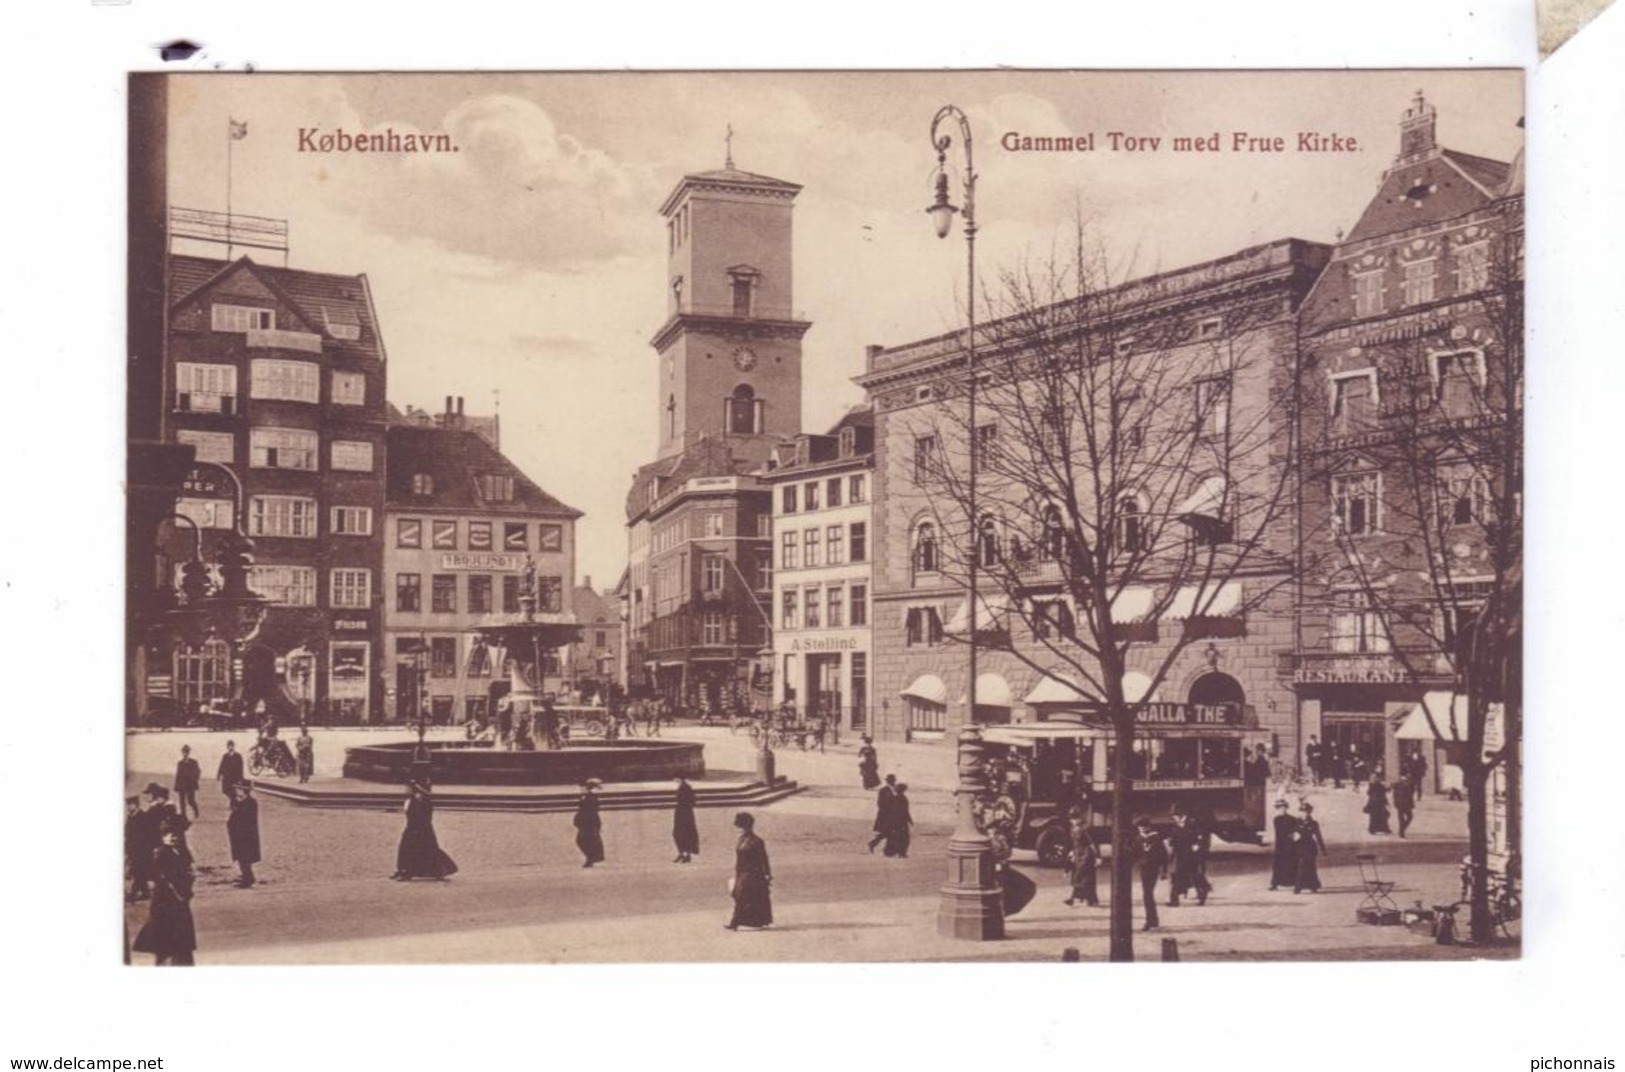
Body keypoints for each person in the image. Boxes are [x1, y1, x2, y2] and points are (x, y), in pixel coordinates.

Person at [131, 818, 197, 966]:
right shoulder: (161, 853)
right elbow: (166, 879)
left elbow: (189, 872)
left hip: (180, 900)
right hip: (165, 901)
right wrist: (181, 894)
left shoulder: (182, 852)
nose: (173, 837)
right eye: (169, 834)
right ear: (162, 836)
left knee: (181, 941)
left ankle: (181, 963)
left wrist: (188, 887)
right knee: (165, 939)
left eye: (176, 834)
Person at [393, 780, 458, 880]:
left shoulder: (422, 801)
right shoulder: (411, 800)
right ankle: (402, 869)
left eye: (408, 788)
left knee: (423, 850)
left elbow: (424, 817)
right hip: (411, 828)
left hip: (422, 829)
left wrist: (418, 829)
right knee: (405, 849)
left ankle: (411, 872)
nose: (405, 790)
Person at [724, 812, 773, 930]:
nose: (739, 830)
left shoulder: (757, 841)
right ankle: (756, 921)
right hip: (742, 873)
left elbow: (764, 858)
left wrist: (767, 873)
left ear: (747, 827)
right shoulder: (741, 840)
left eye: (741, 827)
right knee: (745, 897)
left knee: (741, 897)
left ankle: (734, 923)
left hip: (753, 874)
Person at [1167, 809, 1212, 907]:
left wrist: (1197, 845)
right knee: (1176, 876)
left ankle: (1202, 895)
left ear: (1182, 816)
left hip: (1191, 855)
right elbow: (1173, 840)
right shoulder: (1175, 827)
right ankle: (1174, 901)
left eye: (1175, 816)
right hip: (1179, 855)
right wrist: (1171, 842)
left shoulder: (1192, 825)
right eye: (1173, 816)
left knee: (1195, 876)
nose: (1174, 818)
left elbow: (1200, 837)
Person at [1133, 818, 1169, 931]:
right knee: (1147, 894)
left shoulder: (1156, 838)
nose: (1142, 829)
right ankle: (1152, 920)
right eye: (1140, 827)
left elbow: (1164, 855)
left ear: (1149, 826)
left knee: (1147, 894)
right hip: (1143, 869)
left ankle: (1151, 920)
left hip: (1153, 868)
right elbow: (1135, 854)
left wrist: (1164, 871)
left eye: (1144, 826)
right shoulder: (1138, 839)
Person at [226, 781, 261, 888]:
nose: (236, 790)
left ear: (244, 790)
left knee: (245, 858)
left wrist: (237, 806)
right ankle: (245, 876)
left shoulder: (250, 802)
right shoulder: (240, 801)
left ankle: (248, 879)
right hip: (238, 834)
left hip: (246, 835)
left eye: (238, 788)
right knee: (241, 857)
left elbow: (244, 818)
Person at [1064, 807, 1100, 907]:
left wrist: (1097, 857)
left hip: (1087, 854)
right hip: (1078, 854)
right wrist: (1071, 852)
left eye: (1076, 818)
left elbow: (1092, 843)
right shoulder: (1072, 829)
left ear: (1080, 818)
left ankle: (1089, 899)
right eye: (1072, 819)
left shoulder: (1086, 829)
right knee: (1079, 877)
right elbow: (1074, 843)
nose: (1074, 821)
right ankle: (1081, 898)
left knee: (1087, 878)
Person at [1294, 801, 1327, 893]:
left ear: (1310, 812)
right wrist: (1294, 837)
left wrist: (1323, 850)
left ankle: (1313, 886)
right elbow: (1291, 834)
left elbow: (1318, 836)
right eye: (1303, 811)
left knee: (1311, 866)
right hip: (1300, 847)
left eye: (1307, 812)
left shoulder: (1314, 823)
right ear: (1300, 812)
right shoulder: (1296, 822)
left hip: (1310, 847)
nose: (1305, 813)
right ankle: (1298, 887)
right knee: (1301, 866)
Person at [574, 779, 605, 868]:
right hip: (585, 822)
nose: (581, 788)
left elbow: (592, 812)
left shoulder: (590, 797)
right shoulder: (585, 796)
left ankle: (591, 858)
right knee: (585, 840)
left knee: (583, 840)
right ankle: (591, 858)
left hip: (588, 823)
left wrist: (596, 825)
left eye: (583, 787)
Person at [1269, 799, 1299, 890]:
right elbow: (1280, 832)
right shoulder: (1277, 819)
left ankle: (1294, 883)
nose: (1283, 809)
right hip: (1281, 844)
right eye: (1280, 808)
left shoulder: (1293, 819)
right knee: (1278, 863)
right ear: (1277, 809)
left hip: (1290, 844)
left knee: (1291, 863)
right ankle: (1275, 884)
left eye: (1284, 807)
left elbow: (1295, 830)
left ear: (1287, 808)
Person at [867, 773, 898, 852]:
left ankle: (873, 844)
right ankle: (876, 845)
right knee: (888, 832)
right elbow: (880, 803)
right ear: (889, 781)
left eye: (893, 780)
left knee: (887, 832)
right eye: (892, 780)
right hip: (885, 815)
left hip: (890, 815)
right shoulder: (884, 790)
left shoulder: (893, 789)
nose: (893, 781)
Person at [672, 776, 700, 863]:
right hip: (681, 812)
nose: (674, 780)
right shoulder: (683, 787)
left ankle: (686, 855)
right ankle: (682, 853)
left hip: (685, 813)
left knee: (685, 833)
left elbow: (692, 801)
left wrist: (685, 806)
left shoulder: (686, 787)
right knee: (677, 833)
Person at [884, 783, 913, 858]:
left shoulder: (894, 798)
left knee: (893, 836)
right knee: (904, 837)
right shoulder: (903, 798)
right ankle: (901, 853)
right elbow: (905, 811)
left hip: (894, 820)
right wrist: (910, 820)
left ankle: (890, 852)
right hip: (901, 821)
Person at [173, 745, 202, 820]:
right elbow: (178, 775)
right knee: (182, 802)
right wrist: (176, 786)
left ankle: (196, 812)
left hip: (190, 785)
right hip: (182, 785)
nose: (185, 754)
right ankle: (183, 816)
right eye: (184, 752)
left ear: (189, 753)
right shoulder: (180, 763)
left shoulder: (193, 762)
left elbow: (198, 772)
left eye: (186, 752)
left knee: (191, 800)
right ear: (182, 753)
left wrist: (194, 779)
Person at [1392, 774, 1416, 838]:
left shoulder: (1408, 785)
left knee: (1405, 817)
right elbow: (1395, 795)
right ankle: (1401, 831)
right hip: (1403, 803)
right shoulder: (1401, 785)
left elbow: (1395, 795)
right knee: (1406, 817)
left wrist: (1395, 802)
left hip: (1403, 804)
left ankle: (1401, 830)